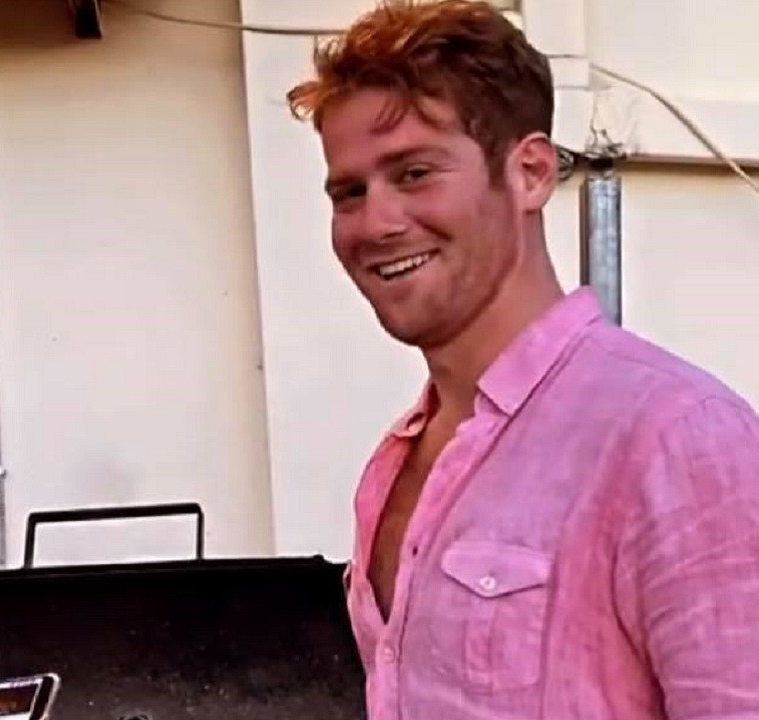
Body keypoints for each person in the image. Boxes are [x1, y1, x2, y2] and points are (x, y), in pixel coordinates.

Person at [286, 1, 759, 718]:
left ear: (531, 172)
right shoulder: (401, 458)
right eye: (349, 192)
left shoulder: (679, 438)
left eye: (414, 173)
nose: (375, 223)